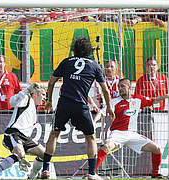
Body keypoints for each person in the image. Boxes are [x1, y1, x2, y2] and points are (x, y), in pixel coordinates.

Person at [41, 37, 115, 180]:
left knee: (54, 134)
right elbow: (105, 90)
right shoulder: (94, 65)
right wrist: (110, 108)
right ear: (89, 50)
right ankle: (92, 173)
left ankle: (45, 170)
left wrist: (49, 100)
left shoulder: (66, 61)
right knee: (91, 138)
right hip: (81, 106)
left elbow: (51, 82)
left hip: (64, 104)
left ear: (74, 49)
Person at [95, 78, 169, 178]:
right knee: (106, 147)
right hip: (118, 133)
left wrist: (167, 96)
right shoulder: (114, 102)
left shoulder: (138, 99)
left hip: (132, 134)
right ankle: (92, 173)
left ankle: (155, 173)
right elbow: (101, 112)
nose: (120, 89)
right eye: (119, 87)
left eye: (122, 86)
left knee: (157, 149)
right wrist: (94, 121)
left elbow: (154, 101)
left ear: (129, 87)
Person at [0, 83, 46, 180]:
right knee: (20, 155)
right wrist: (26, 91)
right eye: (43, 95)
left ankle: (31, 177)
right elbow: (12, 102)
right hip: (13, 133)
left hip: (25, 138)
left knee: (44, 154)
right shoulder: (26, 99)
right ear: (35, 94)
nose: (44, 98)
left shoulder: (35, 110)